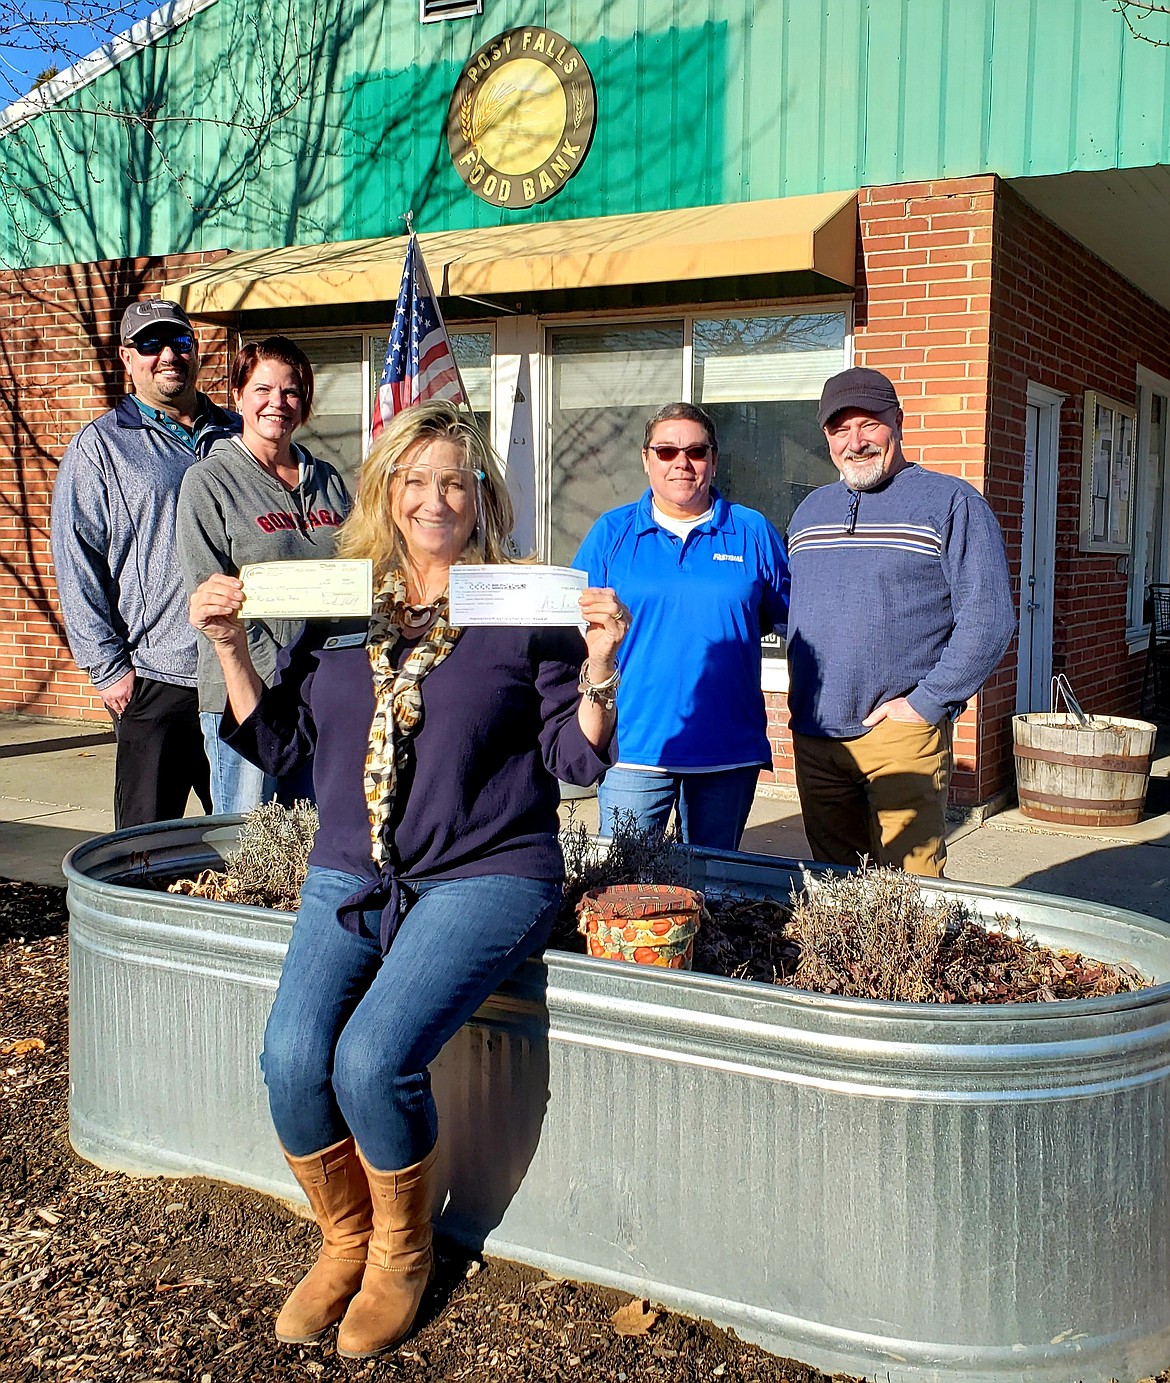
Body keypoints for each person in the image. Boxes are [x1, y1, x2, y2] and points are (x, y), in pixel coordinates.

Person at [188, 400, 627, 1359]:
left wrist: (599, 666)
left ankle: (400, 1251)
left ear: (482, 499)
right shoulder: (346, 601)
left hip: (486, 870)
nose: (436, 499)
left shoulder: (521, 606)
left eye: (456, 482)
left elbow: (574, 757)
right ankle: (345, 1237)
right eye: (416, 479)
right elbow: (287, 746)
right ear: (388, 489)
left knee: (370, 1059)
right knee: (293, 1059)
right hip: (351, 865)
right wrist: (226, 645)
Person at [785, 366, 1016, 876]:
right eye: (839, 429)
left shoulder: (951, 503)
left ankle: (916, 961)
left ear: (899, 423)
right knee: (833, 883)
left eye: (869, 424)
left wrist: (927, 703)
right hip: (816, 734)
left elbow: (990, 617)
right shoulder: (809, 511)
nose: (855, 441)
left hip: (899, 736)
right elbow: (797, 610)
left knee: (910, 891)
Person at [50, 298, 238, 828]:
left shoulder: (239, 434)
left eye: (178, 342)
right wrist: (108, 670)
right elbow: (75, 558)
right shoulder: (102, 447)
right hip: (159, 678)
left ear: (195, 351)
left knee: (256, 844)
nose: (168, 356)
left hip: (243, 672)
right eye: (150, 344)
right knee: (144, 848)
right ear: (127, 358)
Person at [573, 401, 789, 849]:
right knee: (622, 888)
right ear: (646, 459)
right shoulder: (611, 534)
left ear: (712, 459)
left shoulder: (753, 531)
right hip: (635, 749)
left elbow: (785, 618)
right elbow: (577, 629)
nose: (681, 463)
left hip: (727, 750)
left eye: (695, 451)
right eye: (667, 451)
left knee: (713, 889)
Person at [177, 337, 351, 813]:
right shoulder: (209, 482)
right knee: (250, 841)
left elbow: (359, 573)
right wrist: (274, 667)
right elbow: (209, 595)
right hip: (246, 689)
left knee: (318, 833)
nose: (278, 402)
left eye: (291, 392)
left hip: (322, 689)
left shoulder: (330, 481)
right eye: (262, 389)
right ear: (237, 395)